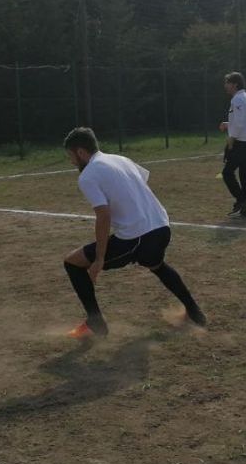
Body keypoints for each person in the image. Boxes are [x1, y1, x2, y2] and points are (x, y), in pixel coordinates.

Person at [62, 127, 206, 337]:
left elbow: (103, 216)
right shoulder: (120, 159)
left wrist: (99, 259)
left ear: (81, 152)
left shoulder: (88, 175)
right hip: (162, 226)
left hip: (139, 237)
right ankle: (195, 313)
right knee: (155, 264)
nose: (72, 161)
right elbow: (138, 183)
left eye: (71, 156)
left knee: (73, 263)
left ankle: (96, 323)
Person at [218, 72, 246, 219]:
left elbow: (240, 123)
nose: (225, 85)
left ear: (235, 84)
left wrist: (231, 139)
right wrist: (228, 125)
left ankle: (242, 201)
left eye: (227, 82)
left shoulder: (238, 99)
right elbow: (243, 121)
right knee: (245, 173)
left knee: (227, 173)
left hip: (241, 142)